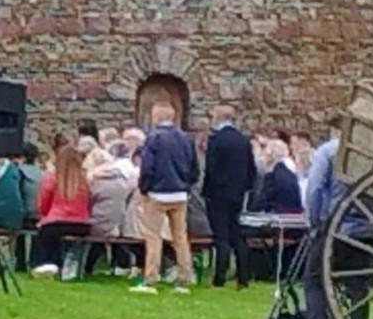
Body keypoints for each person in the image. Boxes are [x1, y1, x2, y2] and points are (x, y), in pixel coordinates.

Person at [303, 126, 373, 319]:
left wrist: (314, 222)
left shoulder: (328, 151)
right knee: (358, 285)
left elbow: (314, 189)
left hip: (336, 229)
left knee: (313, 279)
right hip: (366, 231)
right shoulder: (372, 154)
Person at [133, 103, 199, 294]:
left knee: (153, 236)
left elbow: (147, 168)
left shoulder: (153, 138)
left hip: (157, 193)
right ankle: (185, 277)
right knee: (180, 237)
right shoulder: (185, 138)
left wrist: (144, 189)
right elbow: (194, 166)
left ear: (156, 117)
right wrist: (187, 186)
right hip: (180, 193)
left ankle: (151, 278)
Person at [202, 104, 258, 289]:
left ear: (218, 117)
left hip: (218, 194)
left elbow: (211, 168)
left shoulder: (217, 140)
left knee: (221, 237)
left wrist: (208, 190)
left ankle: (220, 276)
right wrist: (245, 189)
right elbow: (251, 170)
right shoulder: (243, 140)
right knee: (237, 234)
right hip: (237, 194)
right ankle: (243, 277)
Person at [32, 146, 91, 276]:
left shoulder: (51, 178)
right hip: (82, 224)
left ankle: (46, 264)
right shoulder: (85, 181)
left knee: (45, 235)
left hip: (57, 221)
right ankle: (71, 264)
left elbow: (43, 203)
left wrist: (44, 217)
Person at [84, 145, 135, 275]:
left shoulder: (94, 181)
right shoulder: (122, 180)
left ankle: (87, 267)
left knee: (96, 233)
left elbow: (88, 203)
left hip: (98, 223)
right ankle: (122, 264)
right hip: (119, 223)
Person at [253, 139, 304, 213]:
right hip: (294, 212)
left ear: (270, 154)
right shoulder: (288, 172)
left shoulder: (272, 175)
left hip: (279, 214)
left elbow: (264, 201)